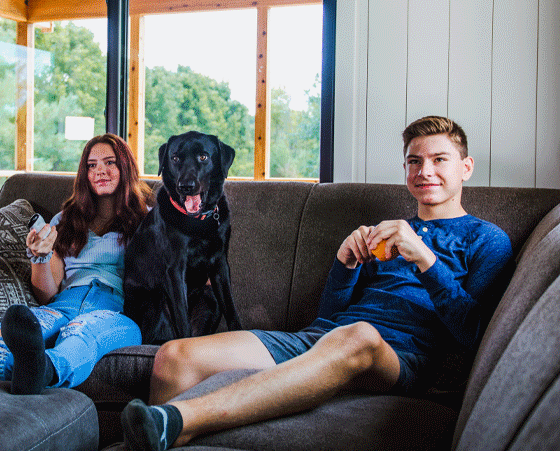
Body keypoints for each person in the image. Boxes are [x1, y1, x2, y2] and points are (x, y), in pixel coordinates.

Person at [121, 115, 513, 450]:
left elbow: (472, 332)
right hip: (324, 338)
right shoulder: (388, 234)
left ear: (466, 167)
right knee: (175, 355)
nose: (424, 171)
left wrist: (425, 258)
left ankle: (173, 422)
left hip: (400, 358)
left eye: (439, 159)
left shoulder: (487, 239)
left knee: (357, 335)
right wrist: (345, 263)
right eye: (414, 161)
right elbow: (329, 318)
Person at [0, 133, 153, 394]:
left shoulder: (148, 220)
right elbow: (46, 293)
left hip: (115, 311)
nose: (100, 171)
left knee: (79, 334)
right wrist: (40, 257)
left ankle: (44, 369)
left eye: (109, 162)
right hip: (64, 304)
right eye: (91, 165)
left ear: (126, 167)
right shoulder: (65, 220)